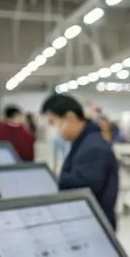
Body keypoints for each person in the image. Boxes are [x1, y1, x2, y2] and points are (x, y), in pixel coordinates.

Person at [40, 94, 119, 229]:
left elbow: (79, 189)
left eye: (53, 122)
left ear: (70, 117)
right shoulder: (84, 142)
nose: (53, 129)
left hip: (94, 227)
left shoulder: (94, 148)